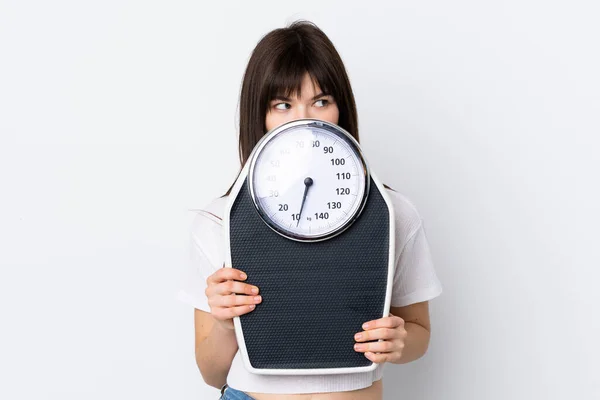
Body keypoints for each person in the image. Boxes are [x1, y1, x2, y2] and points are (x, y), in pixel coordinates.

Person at [177, 20, 443, 400]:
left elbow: (419, 334)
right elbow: (211, 373)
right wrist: (223, 323)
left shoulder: (391, 213)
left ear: (341, 109)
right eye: (282, 104)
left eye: (320, 101)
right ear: (261, 117)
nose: (303, 119)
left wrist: (399, 342)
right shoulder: (219, 221)